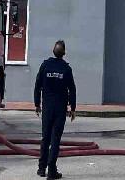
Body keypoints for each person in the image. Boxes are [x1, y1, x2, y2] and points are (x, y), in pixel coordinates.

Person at [34, 40, 76, 179]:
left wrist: (37, 104)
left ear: (53, 51)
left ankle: (41, 168)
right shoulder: (66, 69)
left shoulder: (45, 65)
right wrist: (73, 108)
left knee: (45, 138)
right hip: (60, 109)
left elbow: (37, 85)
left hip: (47, 108)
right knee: (55, 139)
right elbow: (72, 89)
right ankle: (52, 170)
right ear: (64, 53)